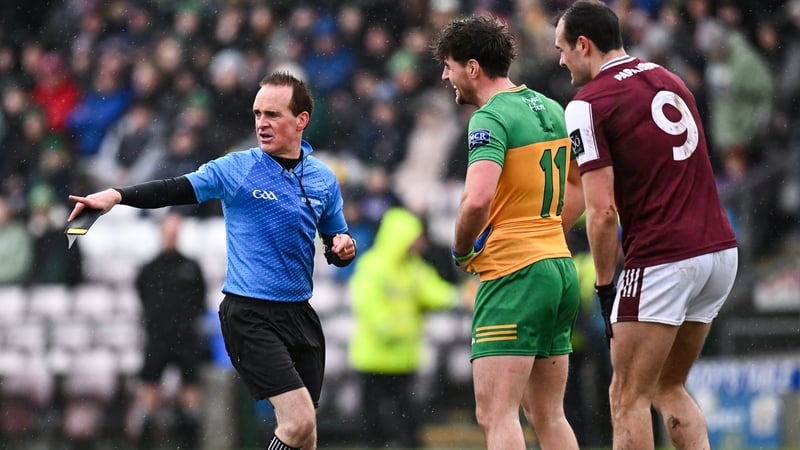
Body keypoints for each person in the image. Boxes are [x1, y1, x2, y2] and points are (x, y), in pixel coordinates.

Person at [67, 71, 358, 450]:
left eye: (273, 114)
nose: (262, 123)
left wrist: (343, 249)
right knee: (298, 422)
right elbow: (174, 188)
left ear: (301, 120)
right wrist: (118, 196)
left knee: (305, 436)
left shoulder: (323, 179)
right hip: (250, 314)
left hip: (300, 316)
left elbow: (336, 241)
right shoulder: (237, 168)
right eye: (257, 114)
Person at [554, 2, 739, 449]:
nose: (559, 60)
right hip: (718, 250)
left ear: (583, 45)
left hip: (662, 256)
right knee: (667, 386)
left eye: (562, 49)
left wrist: (604, 285)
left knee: (626, 396)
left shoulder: (587, 104)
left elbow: (602, 212)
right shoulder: (669, 78)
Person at [431, 14, 584, 450]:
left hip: (514, 274)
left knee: (496, 414)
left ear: (472, 68)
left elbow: (477, 199)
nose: (445, 77)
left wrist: (461, 250)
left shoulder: (490, 118)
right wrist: (544, 231)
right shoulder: (551, 108)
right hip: (558, 267)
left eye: (449, 66)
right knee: (549, 414)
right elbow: (579, 189)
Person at [348, 206, 460, 448]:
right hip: (374, 357)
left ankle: (407, 443)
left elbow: (434, 292)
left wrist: (459, 297)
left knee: (406, 412)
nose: (420, 243)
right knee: (373, 416)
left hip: (403, 356)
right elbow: (366, 302)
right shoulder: (373, 266)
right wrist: (389, 328)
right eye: (415, 237)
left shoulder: (414, 268)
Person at [125, 212, 206, 449]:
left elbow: (200, 300)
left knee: (190, 390)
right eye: (167, 231)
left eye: (174, 231)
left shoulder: (191, 266)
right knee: (149, 389)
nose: (171, 236)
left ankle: (191, 442)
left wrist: (184, 322)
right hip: (157, 338)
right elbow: (143, 297)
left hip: (185, 339)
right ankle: (146, 442)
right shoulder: (149, 268)